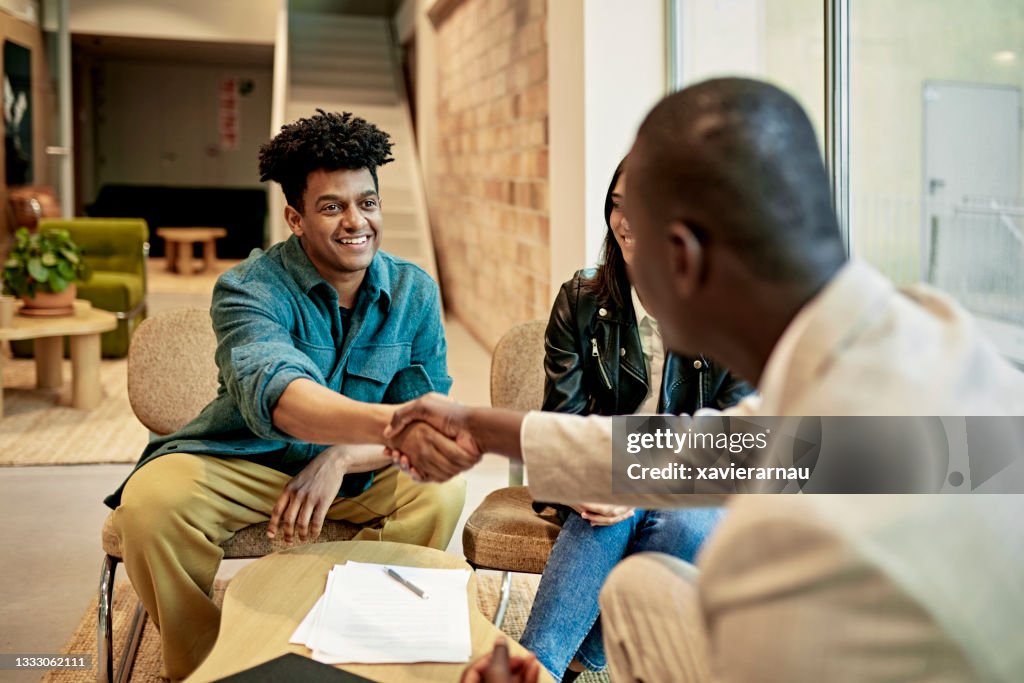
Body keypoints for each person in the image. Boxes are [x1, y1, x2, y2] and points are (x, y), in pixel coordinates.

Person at [386, 79, 1024, 682]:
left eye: (637, 231)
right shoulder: (925, 338)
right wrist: (478, 426)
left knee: (651, 571)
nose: (623, 246)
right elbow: (711, 451)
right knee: (640, 578)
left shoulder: (784, 553)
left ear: (682, 258)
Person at [105, 110, 469, 680]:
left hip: (359, 474)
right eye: (333, 207)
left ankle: (365, 637)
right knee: (149, 506)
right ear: (295, 219)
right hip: (244, 460)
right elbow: (282, 395)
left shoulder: (413, 291)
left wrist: (342, 456)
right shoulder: (248, 288)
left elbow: (420, 431)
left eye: (367, 202)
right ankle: (207, 661)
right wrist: (398, 429)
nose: (356, 222)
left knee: (440, 491)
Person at [520, 158, 751, 681]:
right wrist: (582, 480)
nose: (625, 222)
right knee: (602, 513)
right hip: (603, 474)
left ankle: (576, 660)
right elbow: (564, 422)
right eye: (617, 205)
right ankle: (539, 669)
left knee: (684, 520)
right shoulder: (581, 301)